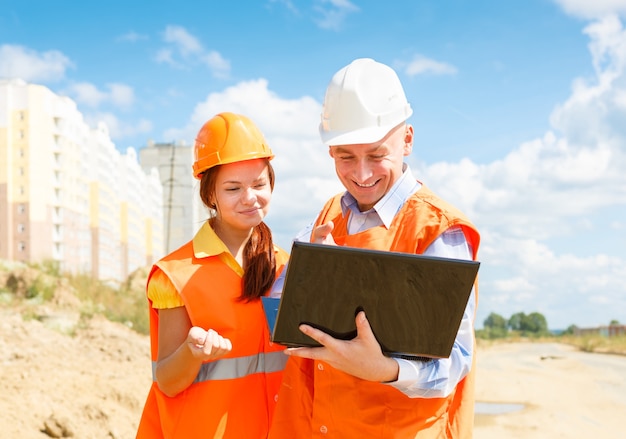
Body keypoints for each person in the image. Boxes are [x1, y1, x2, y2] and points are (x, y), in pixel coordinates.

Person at [269, 58, 481, 438]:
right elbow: (280, 312)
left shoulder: (439, 231)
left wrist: (385, 370)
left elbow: (456, 362)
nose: (362, 175)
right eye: (345, 157)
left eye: (377, 155)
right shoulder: (328, 214)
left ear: (408, 140)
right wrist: (307, 278)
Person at [136, 112, 289, 438]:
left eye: (259, 184)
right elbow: (167, 381)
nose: (250, 198)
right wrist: (191, 353)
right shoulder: (177, 275)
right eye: (233, 188)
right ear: (210, 196)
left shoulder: (287, 266)